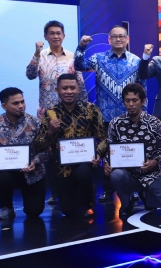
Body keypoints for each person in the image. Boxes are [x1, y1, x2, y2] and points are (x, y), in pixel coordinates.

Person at [74, 24, 146, 203]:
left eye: (122, 36)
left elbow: (142, 89)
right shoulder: (98, 59)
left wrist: (142, 113)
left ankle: (134, 188)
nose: (119, 39)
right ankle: (107, 189)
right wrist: (81, 46)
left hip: (130, 116)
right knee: (107, 153)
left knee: (132, 152)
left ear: (127, 39)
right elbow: (78, 64)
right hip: (105, 116)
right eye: (115, 36)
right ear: (109, 40)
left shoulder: (137, 61)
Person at [26, 20, 88, 204]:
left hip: (70, 111)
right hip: (48, 112)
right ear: (46, 36)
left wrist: (83, 108)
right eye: (51, 33)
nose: (55, 36)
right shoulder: (40, 56)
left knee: (70, 149)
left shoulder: (71, 56)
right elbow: (30, 75)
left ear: (64, 35)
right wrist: (36, 53)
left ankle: (73, 189)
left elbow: (80, 83)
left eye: (58, 33)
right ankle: (55, 192)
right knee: (50, 152)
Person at [33, 74, 107, 217]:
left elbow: (103, 138)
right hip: (62, 167)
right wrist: (50, 132)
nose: (69, 91)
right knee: (68, 210)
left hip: (86, 162)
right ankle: (80, 190)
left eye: (72, 88)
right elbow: (38, 145)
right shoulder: (50, 113)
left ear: (78, 89)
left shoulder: (92, 110)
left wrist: (98, 154)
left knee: (83, 173)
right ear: (57, 90)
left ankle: (87, 202)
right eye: (64, 88)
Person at [104, 83, 161, 216]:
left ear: (143, 101)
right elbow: (110, 149)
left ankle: (146, 194)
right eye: (127, 100)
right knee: (116, 175)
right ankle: (127, 201)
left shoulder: (155, 123)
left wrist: (154, 162)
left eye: (135, 100)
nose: (131, 104)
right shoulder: (115, 123)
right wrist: (107, 164)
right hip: (127, 174)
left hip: (151, 174)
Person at [0, 88, 47, 219]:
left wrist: (35, 162)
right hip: (7, 173)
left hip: (33, 173)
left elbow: (47, 149)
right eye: (15, 103)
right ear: (4, 106)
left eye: (22, 102)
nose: (21, 106)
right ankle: (6, 207)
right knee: (1, 178)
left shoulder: (36, 123)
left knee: (34, 211)